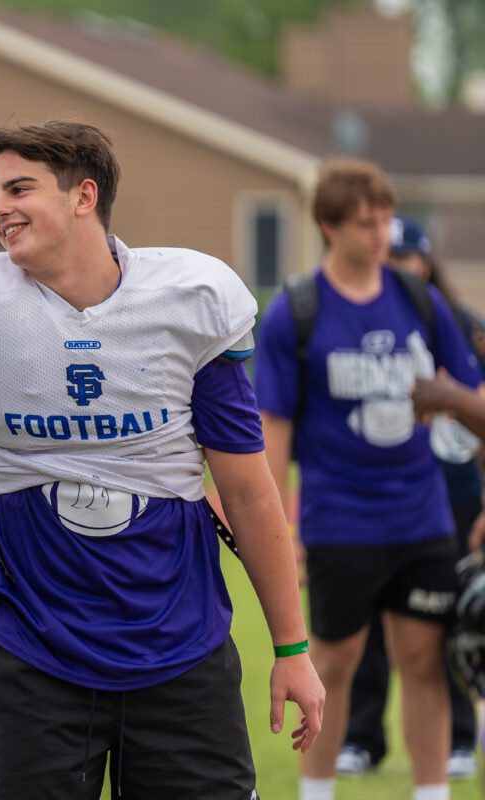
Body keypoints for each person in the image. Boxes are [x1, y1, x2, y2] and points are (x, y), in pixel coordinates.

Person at [0, 121, 324, 800]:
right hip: (35, 654)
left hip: (179, 649)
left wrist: (291, 649)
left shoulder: (188, 299)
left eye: (20, 188)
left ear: (84, 196)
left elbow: (250, 495)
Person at [255, 159, 481, 800]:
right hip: (339, 518)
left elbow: (470, 395)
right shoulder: (295, 312)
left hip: (422, 513)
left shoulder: (417, 299)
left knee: (426, 666)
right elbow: (275, 430)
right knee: (332, 664)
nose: (381, 233)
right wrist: (283, 531)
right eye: (366, 223)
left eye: (385, 219)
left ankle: (432, 793)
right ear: (329, 226)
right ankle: (317, 791)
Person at [337, 215, 485, 780]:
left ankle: (460, 741)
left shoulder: (458, 323)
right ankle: (362, 738)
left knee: (453, 618)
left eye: (407, 257)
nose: (399, 267)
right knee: (369, 620)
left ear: (427, 262)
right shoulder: (348, 323)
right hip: (377, 494)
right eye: (389, 257)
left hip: (452, 494)